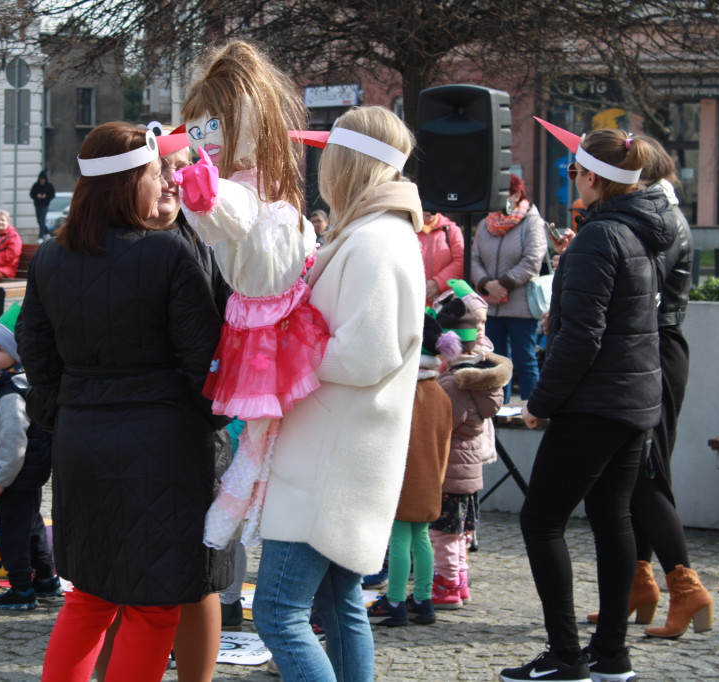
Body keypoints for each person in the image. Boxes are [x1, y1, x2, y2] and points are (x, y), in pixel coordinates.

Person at [17, 121, 225, 682]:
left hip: (81, 441)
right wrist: (214, 421)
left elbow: (35, 354)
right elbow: (206, 364)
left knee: (90, 598)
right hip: (163, 448)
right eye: (158, 173)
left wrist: (70, 408)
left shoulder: (50, 257)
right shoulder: (167, 255)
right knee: (154, 606)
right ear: (129, 182)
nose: (169, 182)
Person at [500, 121, 677, 682]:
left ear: (595, 178)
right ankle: (610, 655)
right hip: (633, 399)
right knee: (612, 518)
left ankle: (566, 656)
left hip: (596, 402)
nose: (570, 179)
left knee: (541, 519)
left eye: (574, 171)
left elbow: (581, 338)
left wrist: (539, 403)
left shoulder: (602, 236)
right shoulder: (639, 230)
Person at [252, 105, 424, 681]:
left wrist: (279, 347)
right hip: (342, 450)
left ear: (348, 163)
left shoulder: (377, 239)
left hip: (330, 459)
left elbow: (365, 353)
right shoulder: (376, 232)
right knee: (337, 606)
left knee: (279, 613)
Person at [177, 40, 328, 551]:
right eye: (195, 130)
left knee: (270, 432)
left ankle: (245, 510)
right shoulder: (239, 192)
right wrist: (202, 194)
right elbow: (222, 214)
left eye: (210, 127)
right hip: (268, 328)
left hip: (284, 321)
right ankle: (239, 510)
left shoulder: (263, 188)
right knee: (263, 432)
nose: (202, 138)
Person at [586, 136, 713, 639]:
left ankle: (686, 586)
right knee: (634, 473)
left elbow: (635, 291)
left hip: (653, 351)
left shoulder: (660, 222)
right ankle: (639, 585)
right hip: (654, 348)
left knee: (645, 473)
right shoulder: (659, 217)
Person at [365, 313, 452, 627]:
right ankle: (423, 599)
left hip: (403, 478)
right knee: (422, 539)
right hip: (431, 479)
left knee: (399, 539)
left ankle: (396, 600)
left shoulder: (405, 393)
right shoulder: (440, 395)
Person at [429, 283, 510, 610]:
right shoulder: (479, 376)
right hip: (469, 474)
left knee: (444, 535)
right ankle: (459, 581)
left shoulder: (452, 384)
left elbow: (442, 423)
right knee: (459, 534)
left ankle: (447, 585)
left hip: (450, 473)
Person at [0, 304, 61, 611]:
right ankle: (45, 579)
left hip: (15, 477)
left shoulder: (10, 394)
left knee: (12, 531)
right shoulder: (28, 383)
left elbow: (13, 445)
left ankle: (20, 589)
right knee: (32, 524)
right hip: (32, 474)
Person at [470, 173, 546, 401]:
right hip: (491, 307)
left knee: (525, 359)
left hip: (520, 304)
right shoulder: (486, 223)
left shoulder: (532, 222)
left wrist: (502, 285)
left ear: (515, 194)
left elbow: (533, 259)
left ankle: (530, 411)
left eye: (505, 193)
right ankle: (496, 409)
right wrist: (486, 285)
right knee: (494, 360)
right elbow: (474, 258)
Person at [419, 211, 465, 306]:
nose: (429, 212)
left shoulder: (452, 230)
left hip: (445, 304)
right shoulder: (407, 230)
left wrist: (438, 283)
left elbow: (461, 261)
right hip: (415, 302)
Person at [30, 171, 56, 238]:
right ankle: (46, 232)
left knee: (42, 220)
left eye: (43, 179)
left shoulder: (49, 186)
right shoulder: (36, 185)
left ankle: (40, 236)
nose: (42, 180)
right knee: (39, 220)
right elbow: (32, 194)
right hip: (37, 205)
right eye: (41, 179)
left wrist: (46, 196)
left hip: (45, 205)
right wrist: (37, 196)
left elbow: (52, 195)